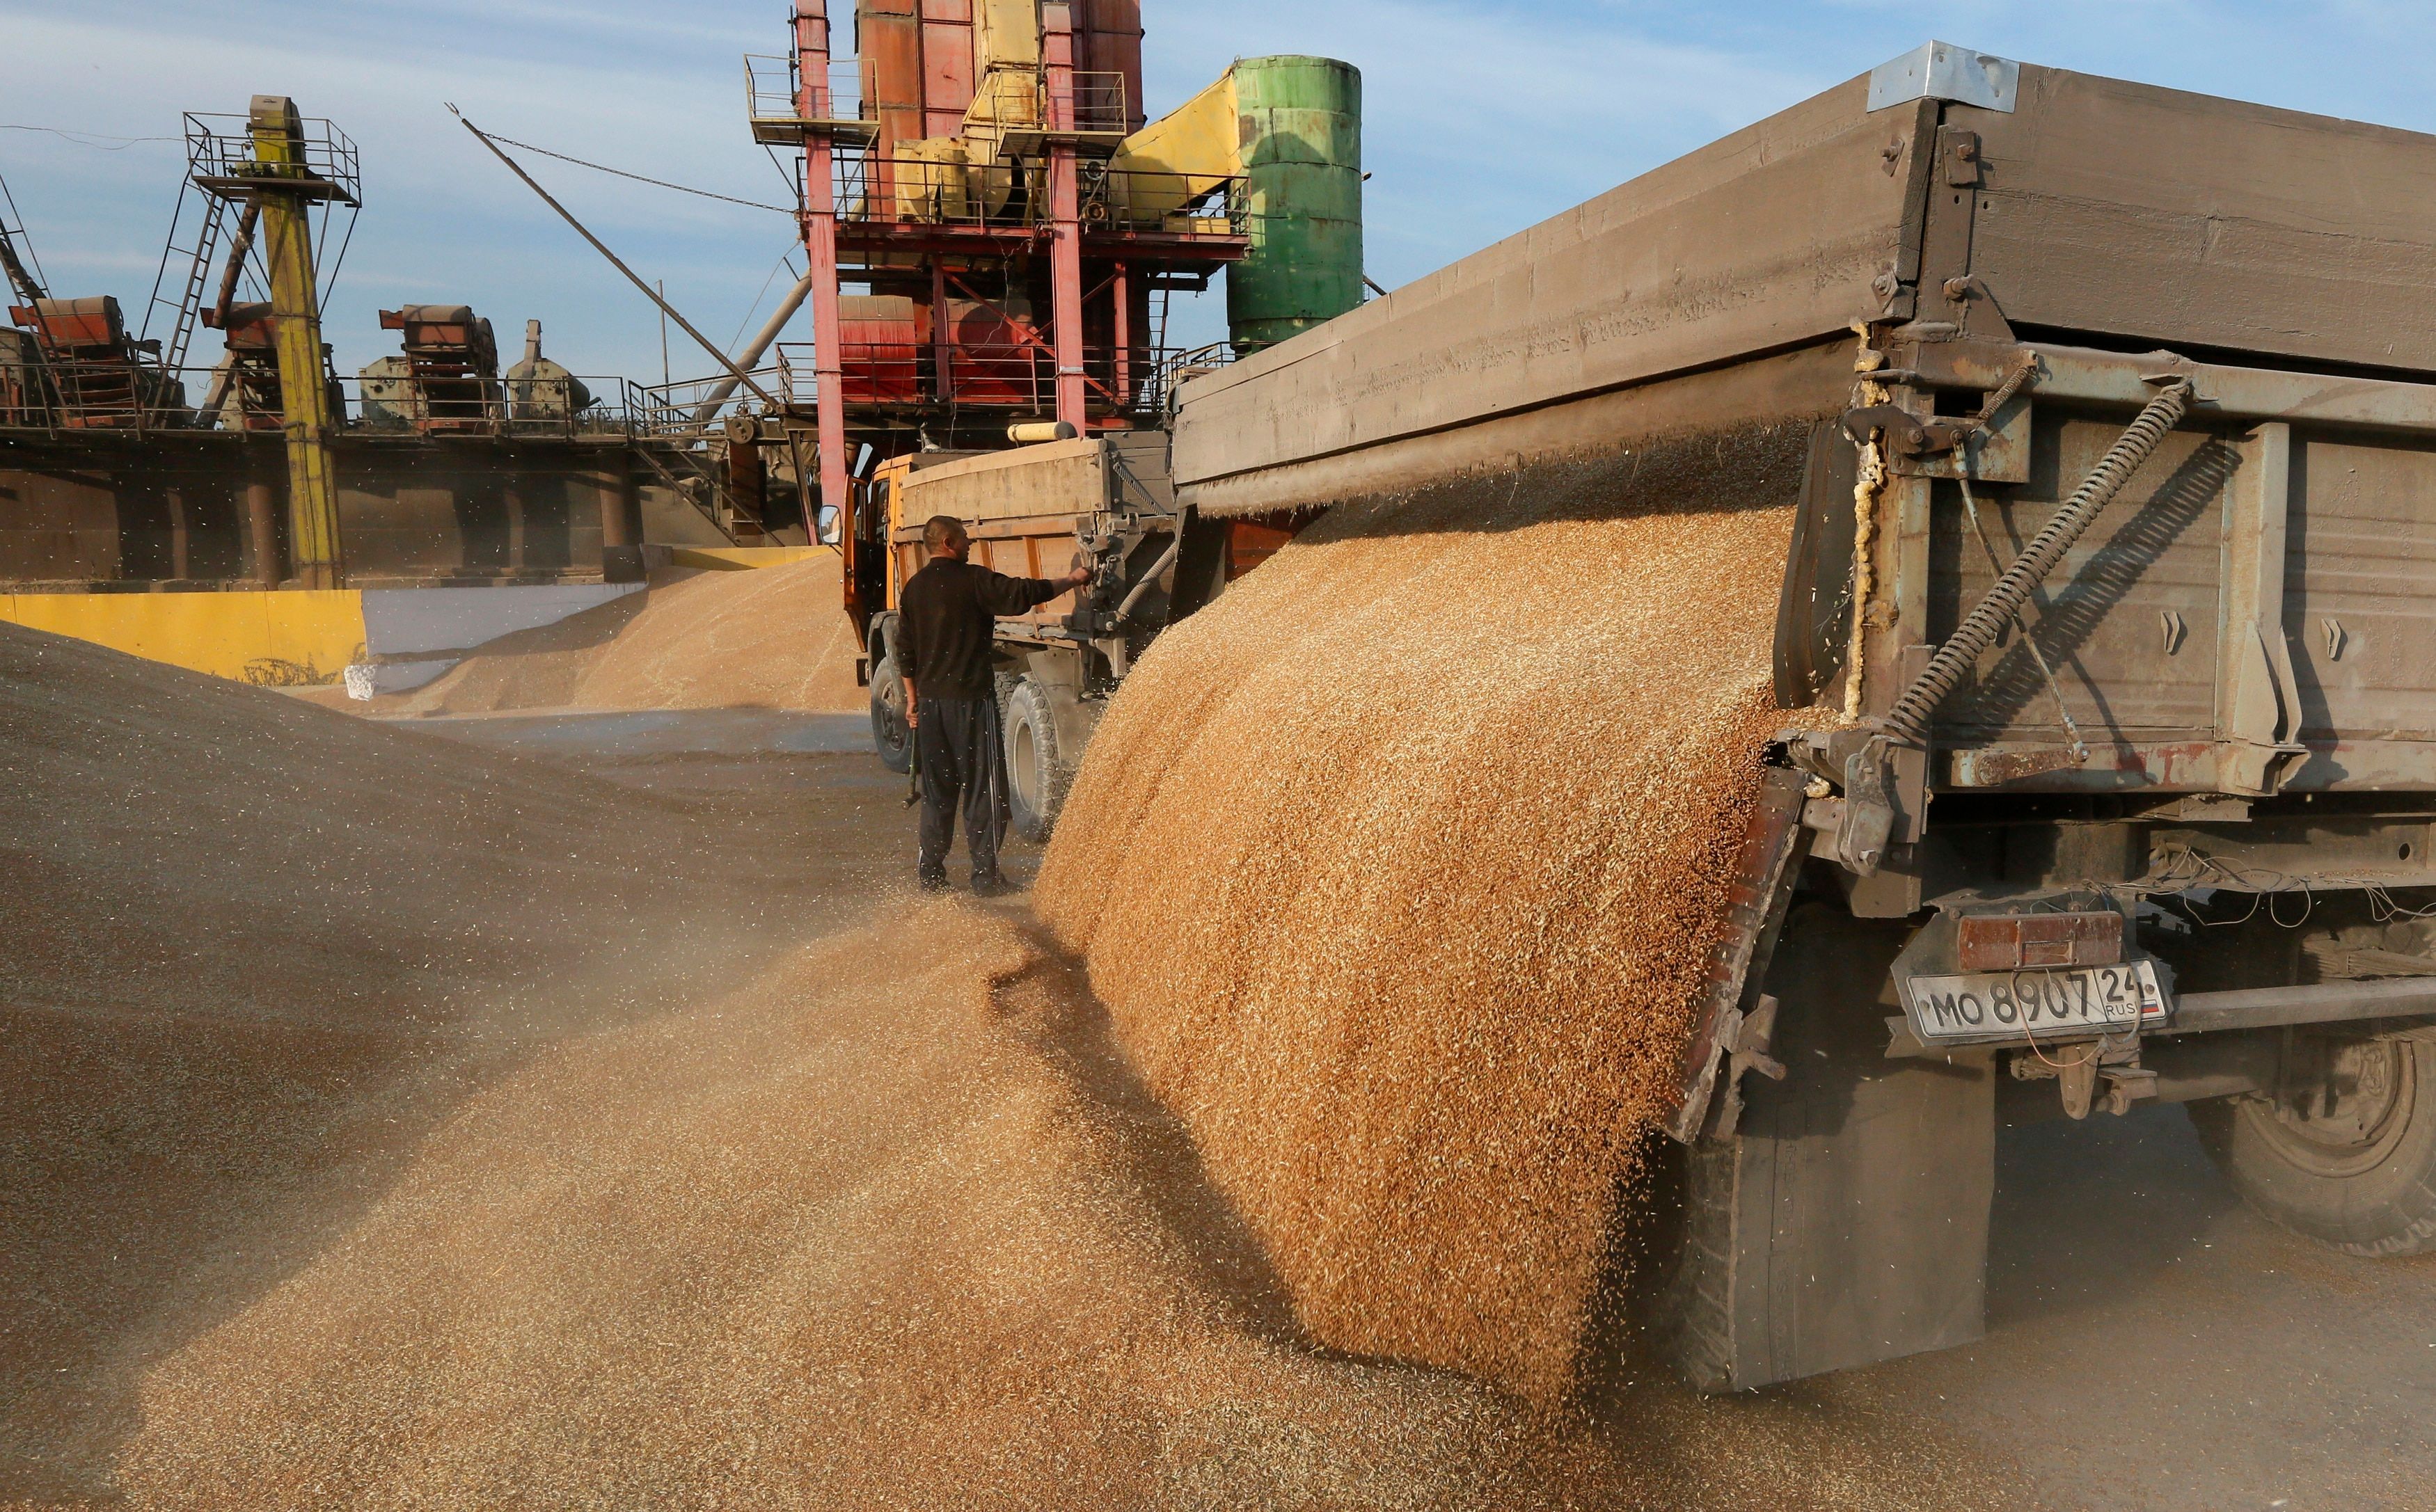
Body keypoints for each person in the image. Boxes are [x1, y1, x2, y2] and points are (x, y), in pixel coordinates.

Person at [896, 514, 1092, 894]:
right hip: (970, 703)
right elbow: (1021, 594)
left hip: (932, 706)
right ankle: (986, 878)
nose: (970, 544)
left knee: (938, 792)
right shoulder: (973, 581)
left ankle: (931, 877)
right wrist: (1071, 581)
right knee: (983, 789)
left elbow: (905, 649)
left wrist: (912, 701)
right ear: (949, 542)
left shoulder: (914, 588)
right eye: (966, 538)